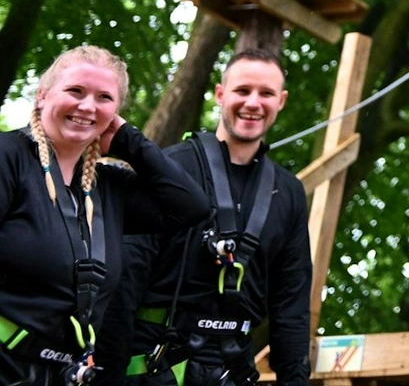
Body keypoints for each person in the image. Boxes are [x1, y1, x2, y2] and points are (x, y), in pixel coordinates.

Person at [100, 49, 312, 386]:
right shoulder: (172, 170)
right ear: (220, 94)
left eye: (266, 93)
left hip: (233, 369)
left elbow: (292, 305)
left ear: (281, 101)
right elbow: (127, 280)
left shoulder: (288, 193)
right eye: (242, 91)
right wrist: (108, 375)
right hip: (153, 362)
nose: (253, 103)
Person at [0, 45, 209, 386]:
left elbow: (191, 207)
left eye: (103, 98)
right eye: (75, 91)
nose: (87, 106)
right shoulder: (8, 158)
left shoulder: (108, 188)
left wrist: (130, 141)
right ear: (42, 96)